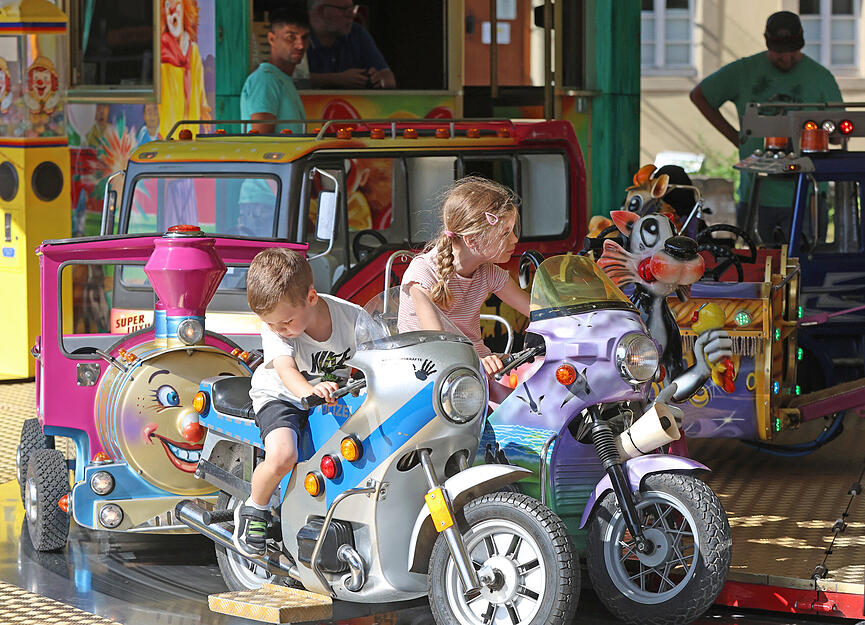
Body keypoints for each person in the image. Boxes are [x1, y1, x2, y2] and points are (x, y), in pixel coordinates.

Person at [234, 248, 366, 556]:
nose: (279, 330)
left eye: (285, 322)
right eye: (271, 324)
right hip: (281, 396)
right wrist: (309, 390)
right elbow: (285, 369)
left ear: (311, 297)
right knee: (284, 454)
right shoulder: (277, 331)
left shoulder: (353, 317)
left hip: (329, 397)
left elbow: (379, 350)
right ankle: (255, 508)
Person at [689, 10, 842, 242]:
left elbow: (839, 135)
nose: (787, 58)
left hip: (806, 193)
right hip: (756, 195)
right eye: (779, 53)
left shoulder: (821, 78)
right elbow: (699, 95)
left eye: (793, 52)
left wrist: (826, 133)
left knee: (806, 269)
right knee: (758, 267)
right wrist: (736, 136)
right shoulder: (744, 71)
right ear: (767, 43)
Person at [398, 177, 529, 401]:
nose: (515, 239)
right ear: (472, 240)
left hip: (473, 375)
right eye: (505, 233)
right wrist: (480, 360)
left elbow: (535, 310)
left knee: (532, 409)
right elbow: (440, 348)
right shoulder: (423, 275)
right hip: (429, 381)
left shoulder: (487, 272)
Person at [241, 6, 310, 134]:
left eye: (304, 37)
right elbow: (262, 140)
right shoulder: (266, 79)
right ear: (271, 39)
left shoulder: (280, 78)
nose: (300, 45)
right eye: (291, 37)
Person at [306, 0, 396, 89]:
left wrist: (377, 79)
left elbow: (389, 79)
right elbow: (294, 81)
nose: (353, 15)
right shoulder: (297, 35)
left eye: (352, 9)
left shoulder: (357, 33)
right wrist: (335, 79)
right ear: (321, 11)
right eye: (345, 10)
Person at [159, 0, 211, 139]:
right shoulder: (161, 54)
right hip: (168, 137)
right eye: (168, 6)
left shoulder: (193, 51)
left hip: (191, 136)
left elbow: (200, 91)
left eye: (177, 5)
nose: (172, 11)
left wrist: (204, 110)